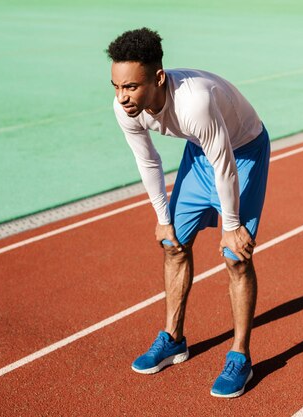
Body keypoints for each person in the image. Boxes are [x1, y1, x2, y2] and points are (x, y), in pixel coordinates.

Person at [106, 27, 270, 398]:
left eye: (130, 87)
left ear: (158, 78)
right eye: (115, 86)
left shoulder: (194, 102)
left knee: (236, 256)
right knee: (173, 244)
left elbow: (225, 163)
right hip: (201, 152)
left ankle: (240, 356)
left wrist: (231, 227)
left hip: (243, 151)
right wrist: (163, 219)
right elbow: (147, 161)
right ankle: (173, 339)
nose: (122, 97)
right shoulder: (124, 108)